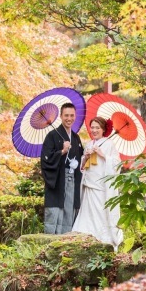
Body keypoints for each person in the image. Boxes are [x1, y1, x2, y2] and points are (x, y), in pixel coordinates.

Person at [72, 116, 124, 250]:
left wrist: (103, 155)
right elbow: (83, 167)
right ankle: (84, 239)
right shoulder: (89, 144)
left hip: (101, 188)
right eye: (92, 127)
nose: (94, 130)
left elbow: (117, 164)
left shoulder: (109, 144)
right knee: (86, 215)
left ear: (103, 129)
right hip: (89, 185)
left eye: (97, 128)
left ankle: (103, 241)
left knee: (101, 214)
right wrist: (86, 157)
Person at [40, 102, 83, 234]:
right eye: (66, 115)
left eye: (71, 115)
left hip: (73, 180)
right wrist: (62, 152)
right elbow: (45, 159)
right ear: (61, 116)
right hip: (58, 179)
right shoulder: (52, 136)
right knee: (55, 211)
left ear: (75, 116)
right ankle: (51, 241)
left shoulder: (76, 138)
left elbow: (80, 160)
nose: (69, 118)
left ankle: (66, 241)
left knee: (70, 210)